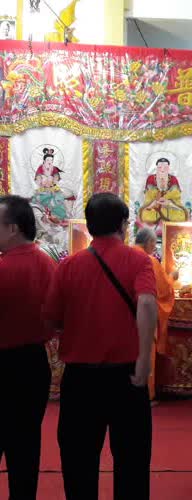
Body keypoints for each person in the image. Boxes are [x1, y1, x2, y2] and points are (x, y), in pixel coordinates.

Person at [44, 193, 158, 500]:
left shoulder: (69, 266)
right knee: (132, 462)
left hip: (81, 378)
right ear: (122, 225)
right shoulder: (139, 260)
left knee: (79, 462)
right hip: (127, 377)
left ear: (90, 225)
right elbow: (148, 304)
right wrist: (144, 359)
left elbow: (52, 318)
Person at [0, 195, 55, 500]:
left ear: (12, 228)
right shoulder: (47, 263)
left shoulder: (4, 267)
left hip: (3, 364)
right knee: (26, 445)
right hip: (34, 363)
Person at [134, 227, 177, 402]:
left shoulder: (125, 255)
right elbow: (163, 289)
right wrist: (172, 277)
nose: (154, 247)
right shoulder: (149, 260)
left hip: (126, 315)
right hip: (144, 315)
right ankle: (145, 395)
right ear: (150, 242)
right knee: (145, 352)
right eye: (154, 243)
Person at [139, 157, 188, 228]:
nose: (162, 170)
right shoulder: (151, 179)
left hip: (170, 211)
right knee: (144, 215)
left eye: (165, 168)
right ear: (156, 168)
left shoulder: (173, 180)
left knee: (181, 216)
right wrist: (152, 204)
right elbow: (147, 202)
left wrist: (170, 204)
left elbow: (178, 203)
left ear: (168, 169)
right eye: (159, 167)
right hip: (154, 212)